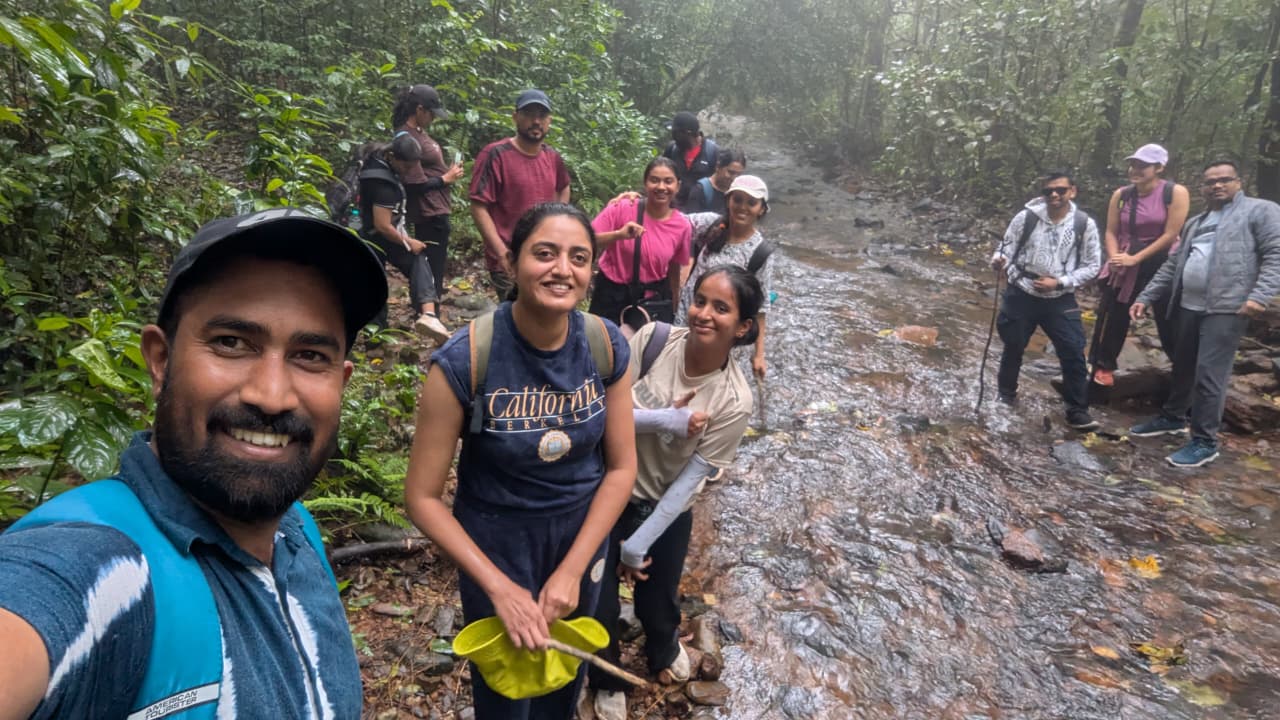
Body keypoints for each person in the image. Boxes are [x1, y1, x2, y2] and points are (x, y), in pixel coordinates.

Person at [0, 208, 387, 720]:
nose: (271, 396)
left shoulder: (297, 535)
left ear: (342, 379)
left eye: (310, 354)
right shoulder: (96, 567)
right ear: (160, 361)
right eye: (231, 343)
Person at [404, 203, 636, 720]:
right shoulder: (467, 360)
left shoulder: (604, 345)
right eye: (545, 253)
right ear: (512, 262)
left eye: (579, 257)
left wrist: (572, 571)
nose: (562, 269)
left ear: (592, 271)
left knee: (562, 681)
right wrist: (500, 588)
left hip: (581, 538)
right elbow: (421, 496)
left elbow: (621, 469)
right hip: (498, 546)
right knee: (507, 693)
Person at [590, 266, 761, 720]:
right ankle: (607, 678)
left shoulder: (733, 399)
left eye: (721, 308)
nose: (704, 314)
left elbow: (692, 480)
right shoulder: (653, 340)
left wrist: (640, 543)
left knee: (659, 597)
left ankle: (663, 651)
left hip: (663, 506)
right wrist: (665, 419)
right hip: (605, 490)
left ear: (743, 327)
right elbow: (604, 410)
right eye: (701, 300)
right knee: (599, 598)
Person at [1129, 160, 1280, 467]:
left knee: (1210, 375)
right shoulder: (1196, 222)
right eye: (1210, 181)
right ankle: (1173, 418)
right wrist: (1146, 296)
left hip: (1227, 307)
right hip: (1189, 305)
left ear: (1238, 182)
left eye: (1225, 179)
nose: (1217, 185)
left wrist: (1260, 296)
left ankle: (1205, 441)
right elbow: (1173, 265)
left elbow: (1275, 253)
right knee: (1183, 366)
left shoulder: (1259, 211)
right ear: (1202, 187)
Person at [989, 170, 1103, 430]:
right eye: (1048, 190)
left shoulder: (1083, 224)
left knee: (1073, 350)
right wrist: (999, 261)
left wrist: (1060, 281)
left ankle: (1077, 411)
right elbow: (1005, 248)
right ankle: (1006, 395)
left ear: (1072, 191)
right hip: (1021, 290)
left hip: (1060, 297)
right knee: (1013, 346)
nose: (1054, 194)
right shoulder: (1026, 217)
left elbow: (1093, 265)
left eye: (1060, 190)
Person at [1091, 144, 1190, 386]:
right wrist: (1115, 257)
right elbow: (1111, 231)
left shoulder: (1174, 193)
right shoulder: (1122, 195)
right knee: (1114, 312)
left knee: (1168, 315)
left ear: (1158, 167)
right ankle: (1102, 366)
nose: (1135, 169)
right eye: (1133, 164)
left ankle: (1184, 370)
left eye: (1143, 166)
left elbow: (1171, 234)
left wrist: (1136, 258)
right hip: (1125, 259)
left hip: (1162, 260)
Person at [469, 89, 572, 300]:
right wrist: (501, 252)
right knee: (515, 316)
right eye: (528, 114)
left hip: (545, 255)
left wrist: (559, 220)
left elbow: (563, 186)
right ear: (515, 117)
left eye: (542, 116)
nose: (536, 121)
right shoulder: (495, 154)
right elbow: (479, 206)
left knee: (543, 313)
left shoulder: (552, 157)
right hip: (509, 256)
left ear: (549, 121)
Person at [680, 174, 775, 379]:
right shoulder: (712, 225)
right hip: (684, 320)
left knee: (704, 382)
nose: (743, 207)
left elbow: (761, 308)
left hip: (719, 334)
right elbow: (672, 222)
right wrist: (637, 204)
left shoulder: (761, 252)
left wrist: (759, 354)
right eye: (737, 199)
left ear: (762, 209)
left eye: (751, 202)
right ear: (728, 201)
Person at [360, 132, 451, 343]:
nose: (409, 171)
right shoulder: (383, 184)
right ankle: (376, 338)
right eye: (407, 166)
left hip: (386, 233)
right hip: (371, 236)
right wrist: (408, 241)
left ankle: (428, 316)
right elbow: (382, 225)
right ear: (393, 157)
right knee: (376, 282)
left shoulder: (383, 159)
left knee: (418, 257)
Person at [588, 157, 691, 335]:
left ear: (678, 186)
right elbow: (586, 240)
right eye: (654, 180)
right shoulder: (622, 207)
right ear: (645, 183)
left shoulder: (682, 225)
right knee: (600, 350)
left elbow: (674, 269)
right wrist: (618, 235)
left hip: (649, 301)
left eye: (668, 181)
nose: (661, 187)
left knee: (643, 356)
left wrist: (674, 305)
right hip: (610, 295)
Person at [393, 84, 466, 322]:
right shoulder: (406, 138)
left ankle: (428, 310)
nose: (434, 117)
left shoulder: (420, 134)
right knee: (430, 262)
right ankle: (426, 314)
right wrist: (446, 179)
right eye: (431, 112)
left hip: (438, 207)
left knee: (436, 260)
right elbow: (413, 184)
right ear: (419, 109)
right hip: (428, 210)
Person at [661, 111, 719, 208]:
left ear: (688, 133)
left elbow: (719, 185)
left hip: (700, 212)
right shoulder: (672, 149)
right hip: (672, 209)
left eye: (676, 134)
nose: (674, 138)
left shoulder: (712, 152)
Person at [682, 147, 747, 215]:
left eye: (738, 174)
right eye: (731, 172)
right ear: (718, 167)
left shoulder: (737, 192)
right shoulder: (700, 190)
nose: (734, 178)